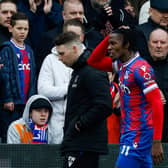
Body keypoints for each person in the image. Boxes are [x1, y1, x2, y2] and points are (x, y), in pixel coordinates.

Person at [87, 28, 164, 167]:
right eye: (109, 44)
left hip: (139, 134)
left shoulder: (140, 69)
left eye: (113, 44)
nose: (109, 48)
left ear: (126, 45)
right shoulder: (120, 65)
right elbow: (93, 61)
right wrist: (110, 36)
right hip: (128, 132)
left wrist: (157, 141)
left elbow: (157, 103)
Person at [55, 32, 113, 168]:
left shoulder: (92, 69)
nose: (59, 58)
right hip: (78, 143)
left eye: (62, 53)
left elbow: (104, 105)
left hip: (85, 145)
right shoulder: (80, 70)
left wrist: (80, 124)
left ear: (74, 49)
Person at [36, 0, 103, 74]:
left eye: (81, 13)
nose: (78, 16)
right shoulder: (49, 38)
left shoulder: (95, 37)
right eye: (73, 13)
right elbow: (41, 71)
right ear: (64, 15)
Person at [0, 12, 36, 143]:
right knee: (9, 135)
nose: (23, 32)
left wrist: (32, 99)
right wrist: (7, 98)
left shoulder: (29, 51)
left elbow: (32, 78)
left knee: (25, 136)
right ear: (10, 28)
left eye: (25, 29)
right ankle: (6, 163)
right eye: (19, 28)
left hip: (26, 102)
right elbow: (5, 75)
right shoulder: (7, 49)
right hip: (12, 103)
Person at [147, 28, 168, 142]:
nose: (159, 46)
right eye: (155, 42)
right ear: (149, 44)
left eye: (163, 42)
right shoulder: (138, 66)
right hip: (145, 131)